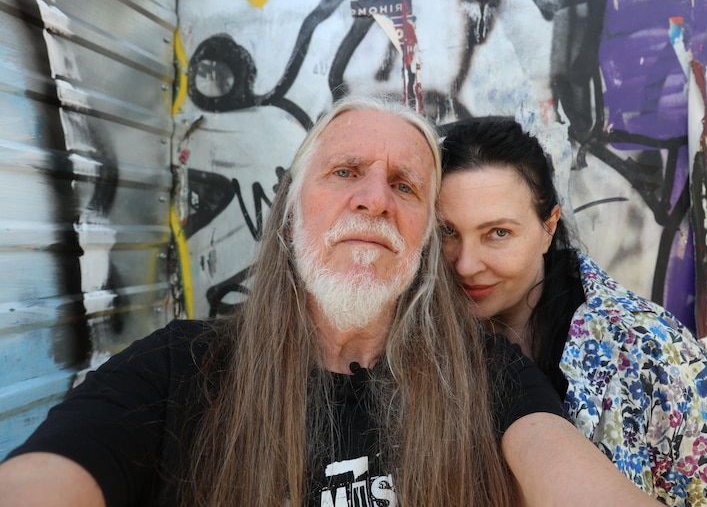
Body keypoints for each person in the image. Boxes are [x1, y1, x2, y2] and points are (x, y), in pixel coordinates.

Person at [0, 97, 662, 507]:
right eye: (346, 171)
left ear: (424, 239)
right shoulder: (179, 370)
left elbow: (564, 468)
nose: (374, 197)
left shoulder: (487, 375)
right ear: (290, 212)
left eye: (405, 185)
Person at [438, 118, 707, 506]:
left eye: (498, 233)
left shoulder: (652, 351)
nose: (466, 264)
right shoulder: (406, 349)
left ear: (548, 226)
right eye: (446, 232)